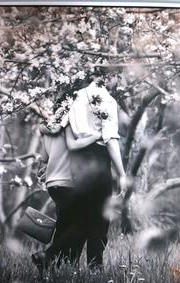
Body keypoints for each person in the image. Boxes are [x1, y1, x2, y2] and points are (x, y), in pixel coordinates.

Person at [66, 70, 127, 269]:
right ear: (109, 75)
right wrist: (122, 174)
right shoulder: (108, 101)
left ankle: (67, 266)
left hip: (76, 157)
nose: (119, 81)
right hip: (98, 157)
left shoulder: (76, 96)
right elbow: (110, 140)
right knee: (100, 217)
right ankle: (94, 267)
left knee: (80, 213)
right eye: (118, 76)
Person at [32, 118, 101, 273]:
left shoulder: (47, 127)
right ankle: (47, 255)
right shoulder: (74, 124)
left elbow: (44, 158)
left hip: (53, 184)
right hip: (69, 181)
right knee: (83, 224)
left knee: (65, 227)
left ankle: (58, 270)